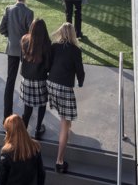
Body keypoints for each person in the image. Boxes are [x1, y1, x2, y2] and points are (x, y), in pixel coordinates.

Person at [47, 23, 85, 173]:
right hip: (64, 88)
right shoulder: (76, 50)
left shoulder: (54, 47)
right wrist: (80, 82)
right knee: (64, 122)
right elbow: (80, 71)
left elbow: (48, 64)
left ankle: (67, 123)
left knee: (64, 116)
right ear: (73, 34)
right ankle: (59, 161)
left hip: (51, 84)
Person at [0, 0, 34, 120]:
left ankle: (6, 115)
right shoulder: (29, 12)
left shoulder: (9, 9)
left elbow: (1, 29)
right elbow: (31, 34)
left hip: (12, 49)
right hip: (25, 51)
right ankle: (26, 116)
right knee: (28, 81)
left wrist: (11, 37)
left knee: (10, 81)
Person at [20, 18, 52, 140]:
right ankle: (38, 129)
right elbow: (48, 66)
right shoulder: (47, 44)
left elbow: (21, 59)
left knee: (27, 108)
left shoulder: (24, 40)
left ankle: (22, 132)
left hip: (26, 80)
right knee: (42, 105)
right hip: (41, 80)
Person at [0, 114, 46, 184]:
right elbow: (41, 173)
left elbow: (1, 179)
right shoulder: (35, 146)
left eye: (6, 131)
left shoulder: (6, 152)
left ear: (10, 133)